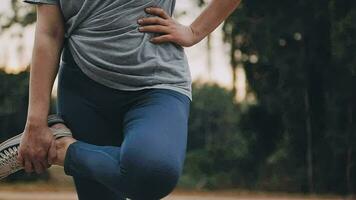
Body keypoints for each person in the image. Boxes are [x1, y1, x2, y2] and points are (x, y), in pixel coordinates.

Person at [10, 0, 242, 199]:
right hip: (84, 93)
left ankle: (63, 150)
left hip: (157, 86)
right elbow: (49, 32)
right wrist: (35, 123)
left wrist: (194, 31)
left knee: (153, 173)